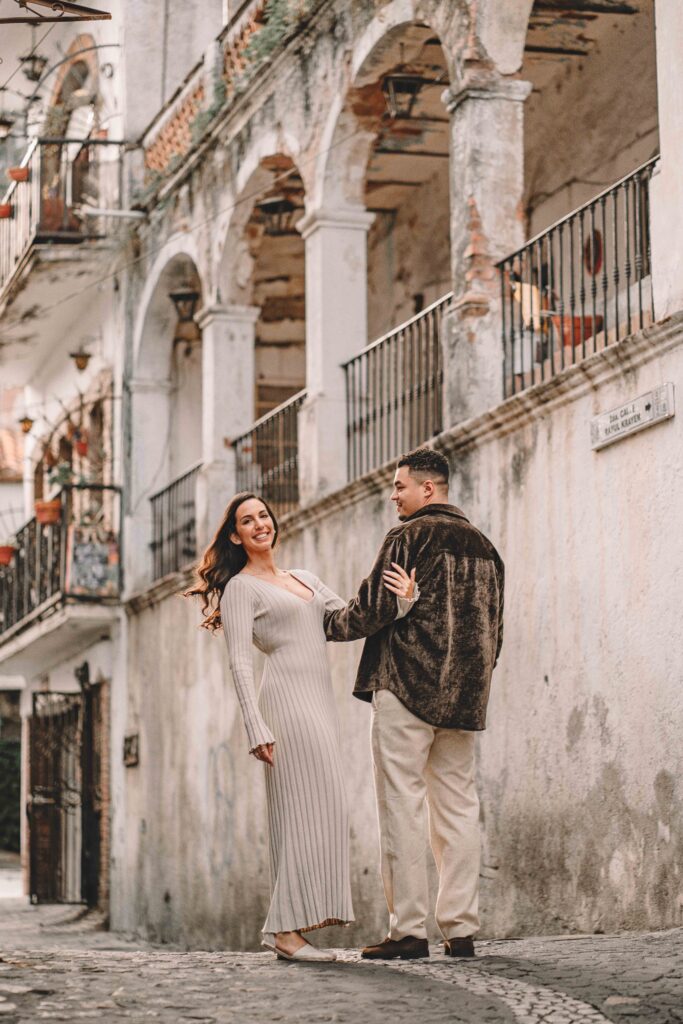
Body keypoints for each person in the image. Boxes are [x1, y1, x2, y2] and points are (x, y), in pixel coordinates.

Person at [185, 491, 417, 963]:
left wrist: (403, 603)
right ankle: (285, 932)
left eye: (263, 516)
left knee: (327, 808)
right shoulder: (241, 589)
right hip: (284, 706)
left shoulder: (305, 578)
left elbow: (349, 622)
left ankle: (294, 924)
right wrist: (255, 727)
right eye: (247, 521)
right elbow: (239, 662)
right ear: (236, 536)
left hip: (319, 704)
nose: (260, 524)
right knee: (297, 816)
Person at [324, 447, 504, 960]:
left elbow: (371, 610)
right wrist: (472, 682)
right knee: (458, 809)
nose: (393, 496)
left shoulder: (409, 537)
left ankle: (407, 931)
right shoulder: (487, 549)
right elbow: (496, 632)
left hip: (405, 686)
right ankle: (461, 930)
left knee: (401, 806)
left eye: (400, 486)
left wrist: (324, 623)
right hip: (463, 699)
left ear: (429, 488)